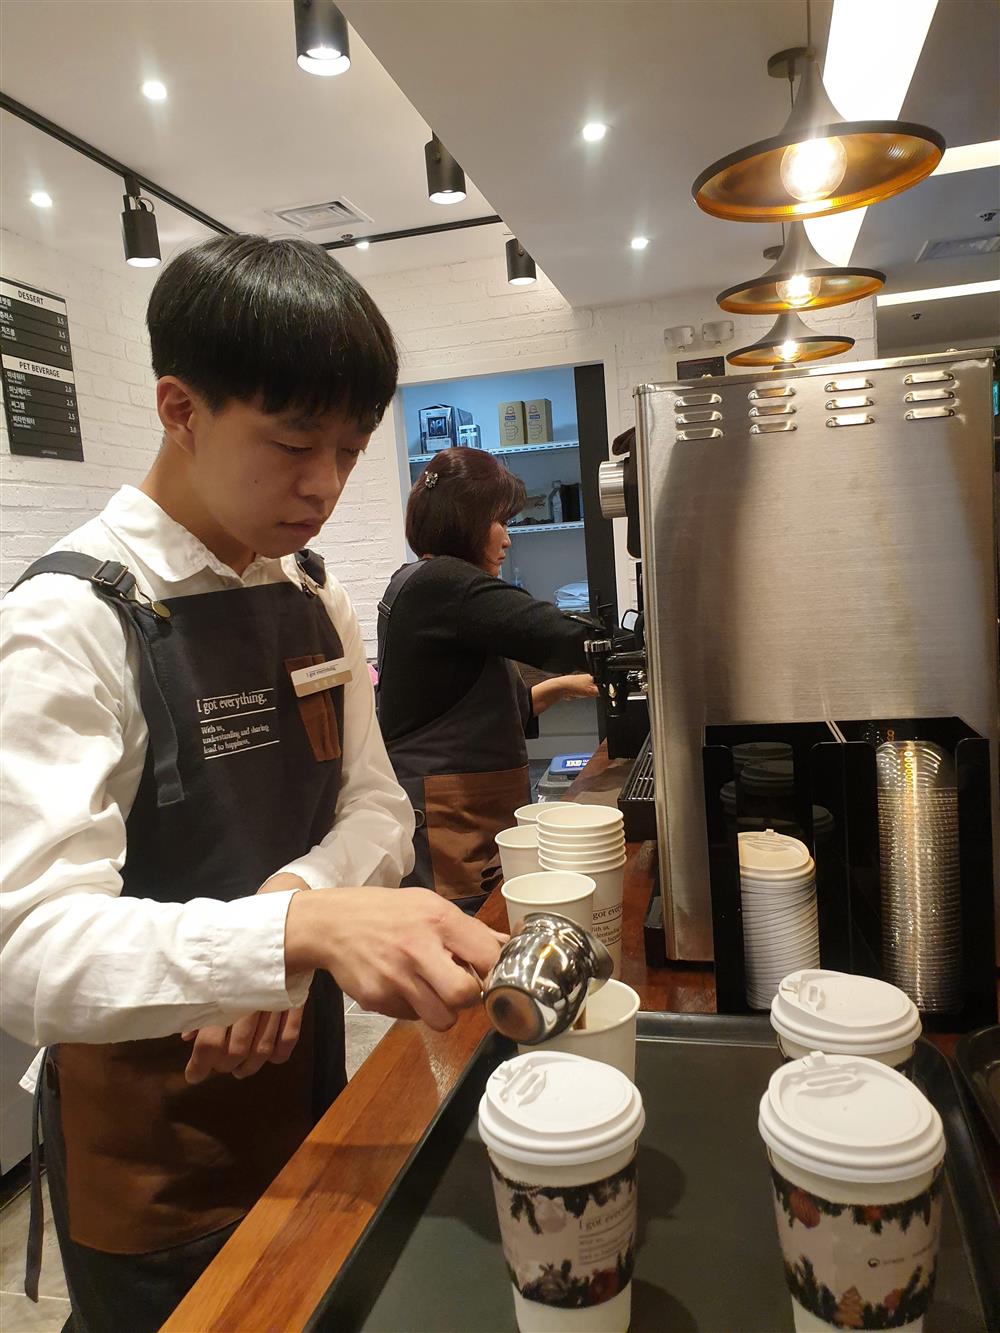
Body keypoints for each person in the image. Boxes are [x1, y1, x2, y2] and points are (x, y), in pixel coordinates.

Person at [0, 235, 503, 1332]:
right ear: (180, 408)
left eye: (349, 448)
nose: (322, 485)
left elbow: (376, 806)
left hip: (306, 1092)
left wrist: (289, 907)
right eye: (291, 444)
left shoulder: (309, 599)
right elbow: (27, 950)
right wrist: (282, 942)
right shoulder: (69, 621)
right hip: (150, 1151)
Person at [376, 447, 601, 908]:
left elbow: (505, 710)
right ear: (466, 520)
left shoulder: (428, 586)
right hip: (447, 818)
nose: (508, 539)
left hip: (468, 810)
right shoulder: (442, 583)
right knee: (462, 946)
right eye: (500, 522)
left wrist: (566, 685)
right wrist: (617, 649)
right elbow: (550, 632)